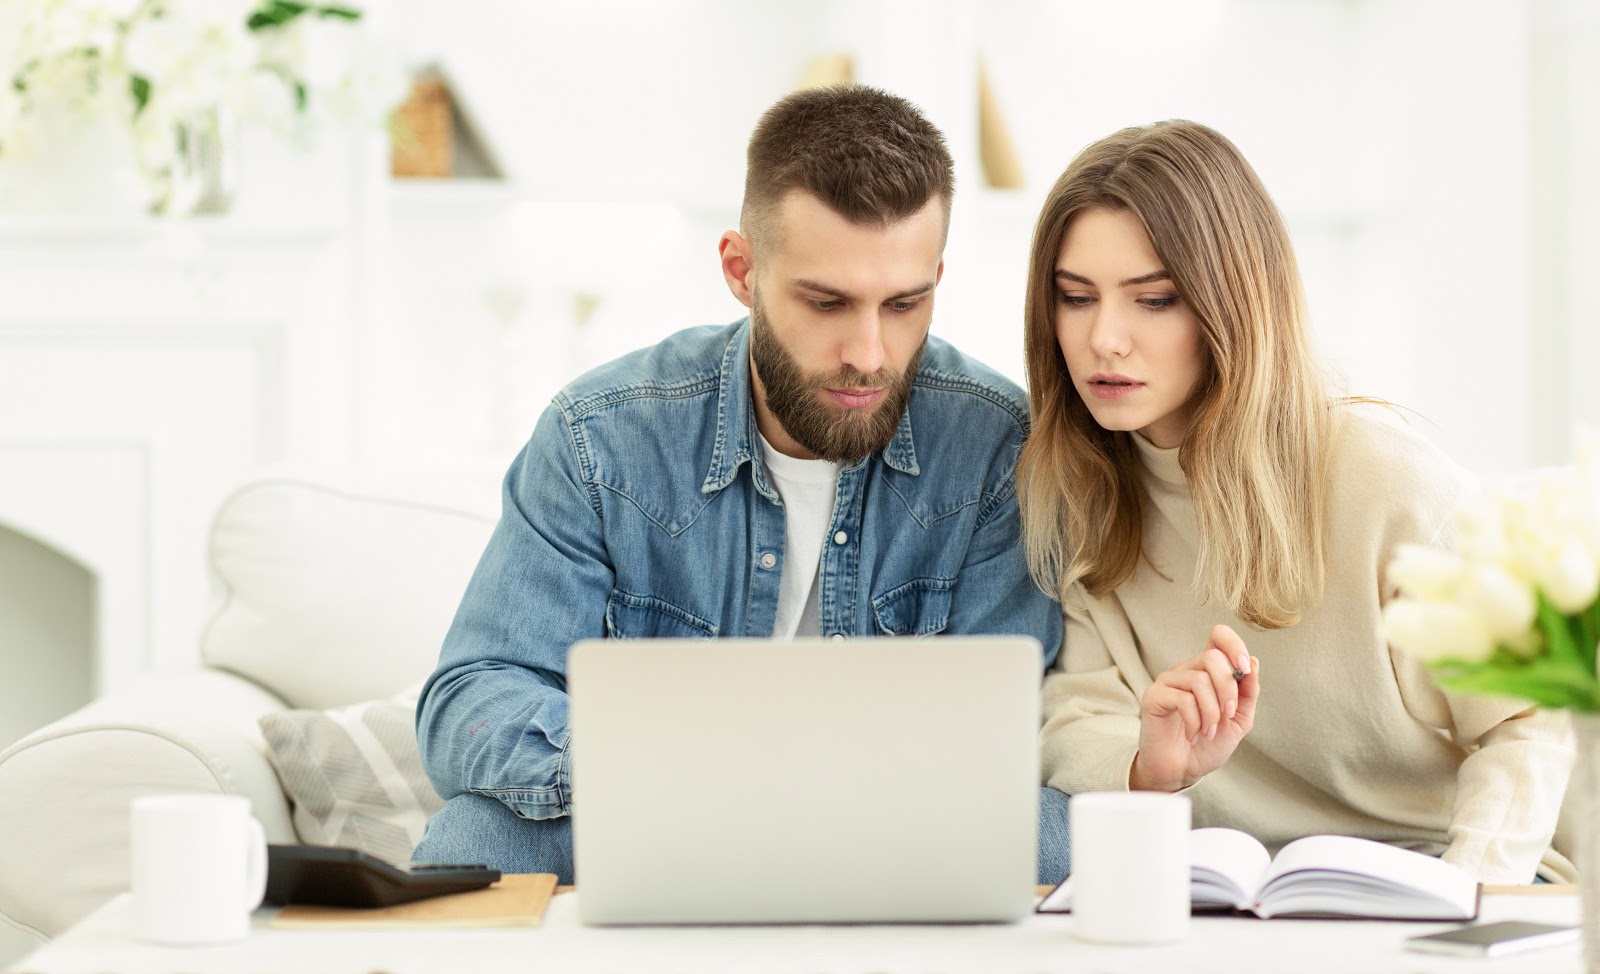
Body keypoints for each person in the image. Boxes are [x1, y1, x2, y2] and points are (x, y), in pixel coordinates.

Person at [413, 84, 1067, 885]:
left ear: (937, 275)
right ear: (740, 269)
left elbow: (998, 740)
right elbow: (470, 701)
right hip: (664, 813)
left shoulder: (999, 445)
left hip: (893, 830)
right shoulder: (600, 436)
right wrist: (686, 773)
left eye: (904, 303)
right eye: (826, 302)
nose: (869, 352)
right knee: (473, 838)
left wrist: (810, 799)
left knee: (1068, 835)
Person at [1018, 119, 1574, 883]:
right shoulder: (1078, 488)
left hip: (1443, 879)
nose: (1103, 338)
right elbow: (1076, 722)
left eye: (1154, 300)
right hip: (1231, 898)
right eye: (1076, 298)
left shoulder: (1384, 478)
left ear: (1230, 304)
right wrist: (1151, 766)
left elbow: (1532, 718)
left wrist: (1464, 897)